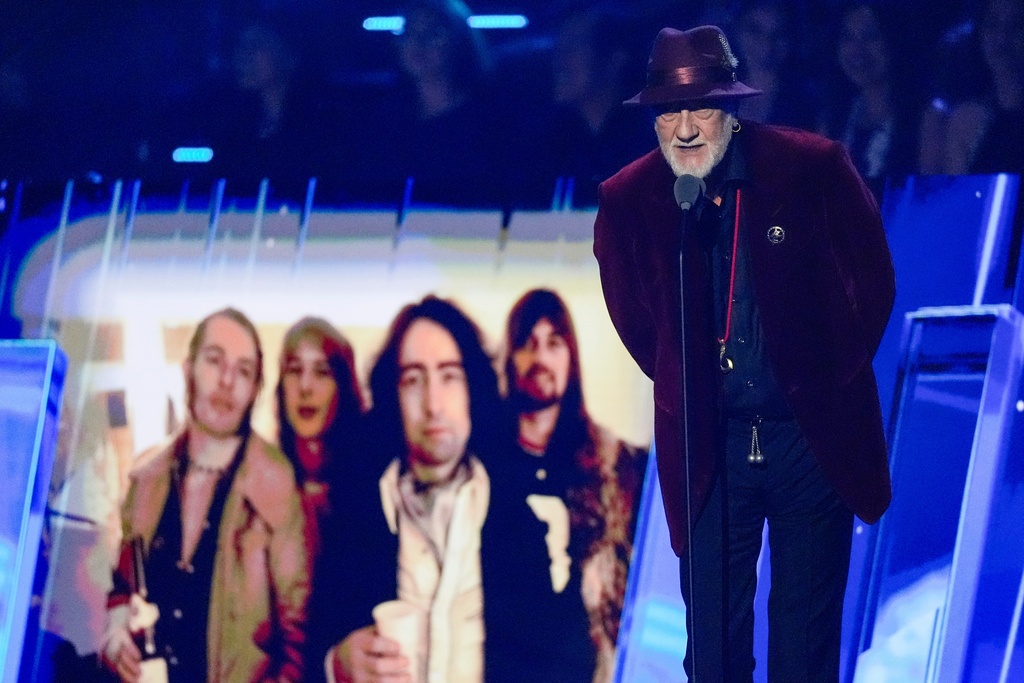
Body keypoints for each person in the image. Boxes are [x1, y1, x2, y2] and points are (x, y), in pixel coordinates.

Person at [592, 25, 895, 681]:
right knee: (712, 655)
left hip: (807, 440)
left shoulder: (809, 168)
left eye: (701, 108)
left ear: (732, 107)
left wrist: (826, 379)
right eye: (670, 112)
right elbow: (637, 323)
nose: (686, 128)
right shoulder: (629, 199)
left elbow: (871, 282)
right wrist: (694, 384)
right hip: (710, 445)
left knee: (802, 649)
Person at [101, 307, 310, 682]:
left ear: (254, 391)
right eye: (215, 361)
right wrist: (116, 638)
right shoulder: (146, 481)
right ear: (188, 370)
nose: (227, 381)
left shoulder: (277, 487)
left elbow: (299, 643)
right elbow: (121, 589)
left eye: (244, 371)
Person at [307, 295, 503, 683]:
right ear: (392, 396)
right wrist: (336, 665)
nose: (433, 404)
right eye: (414, 380)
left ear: (472, 389)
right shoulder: (354, 514)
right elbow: (312, 649)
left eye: (449, 376)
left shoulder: (517, 511)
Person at [485, 288, 647, 683]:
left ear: (570, 357)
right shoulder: (484, 464)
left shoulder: (616, 468)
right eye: (528, 343)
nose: (540, 357)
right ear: (510, 357)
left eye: (553, 343)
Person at [276, 317, 364, 558]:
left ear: (343, 386)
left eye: (322, 372)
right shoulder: (265, 476)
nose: (305, 386)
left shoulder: (370, 485)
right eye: (294, 370)